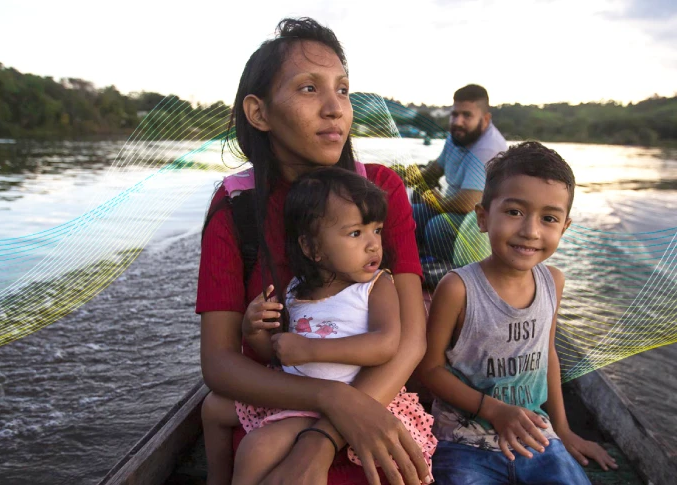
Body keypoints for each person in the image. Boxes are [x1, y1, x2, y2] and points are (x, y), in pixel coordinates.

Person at [196, 17, 431, 485]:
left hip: (374, 399)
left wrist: (324, 437)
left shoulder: (379, 190)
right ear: (259, 113)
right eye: (309, 89)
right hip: (278, 411)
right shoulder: (237, 207)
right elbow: (220, 363)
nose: (334, 108)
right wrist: (329, 400)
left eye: (342, 90)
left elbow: (409, 340)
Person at [202, 168, 437, 484]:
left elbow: (386, 344)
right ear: (312, 249)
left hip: (361, 395)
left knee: (257, 448)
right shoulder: (298, 289)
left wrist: (312, 349)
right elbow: (279, 352)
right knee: (213, 408)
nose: (373, 246)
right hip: (301, 394)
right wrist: (253, 329)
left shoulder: (376, 286)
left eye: (377, 231)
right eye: (356, 233)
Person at [418, 141, 618, 484]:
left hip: (534, 436)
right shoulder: (457, 288)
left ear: (564, 228)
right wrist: (493, 410)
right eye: (514, 212)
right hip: (465, 442)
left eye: (549, 218)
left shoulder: (553, 282)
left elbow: (547, 355)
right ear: (483, 217)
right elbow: (431, 370)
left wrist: (564, 431)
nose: (530, 230)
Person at [409, 84, 507, 262]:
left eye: (467, 115)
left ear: (485, 119)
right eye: (454, 115)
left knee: (438, 226)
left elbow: (468, 202)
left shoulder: (488, 148)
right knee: (410, 214)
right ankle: (414, 262)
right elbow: (436, 169)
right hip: (457, 211)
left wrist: (438, 203)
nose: (457, 121)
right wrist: (406, 177)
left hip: (483, 222)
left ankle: (452, 274)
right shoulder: (459, 135)